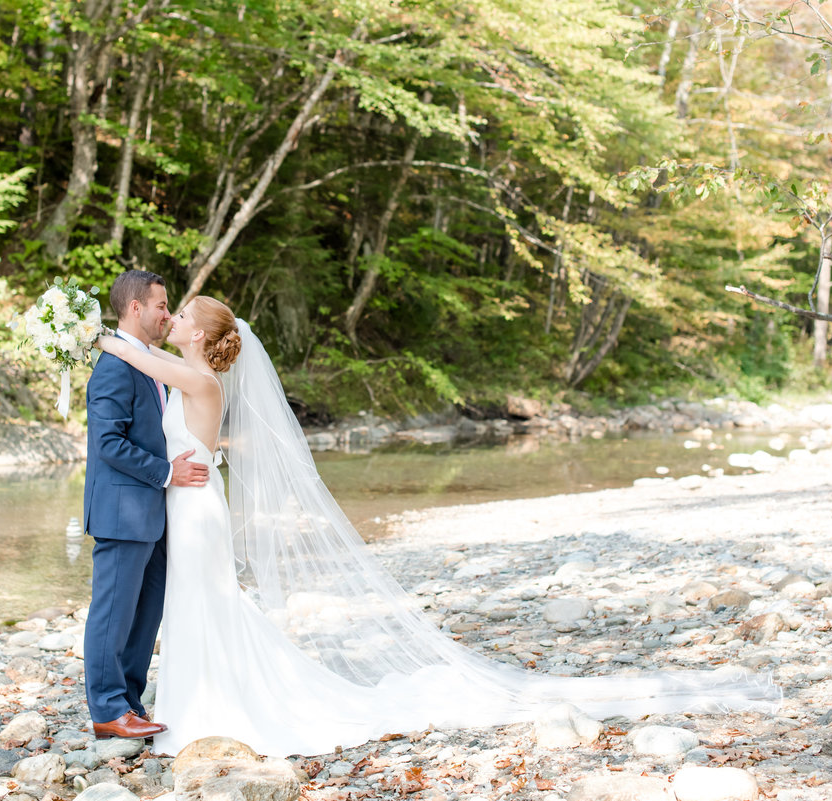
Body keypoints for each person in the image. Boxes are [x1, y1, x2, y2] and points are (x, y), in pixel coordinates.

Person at [96, 296, 782, 758]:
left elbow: (137, 357)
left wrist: (95, 334)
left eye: (182, 311)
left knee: (203, 604)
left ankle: (204, 712)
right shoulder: (186, 373)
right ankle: (190, 704)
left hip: (196, 511)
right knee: (197, 604)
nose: (174, 314)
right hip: (185, 502)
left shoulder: (197, 381)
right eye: (174, 308)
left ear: (198, 333)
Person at [82, 271, 209, 741]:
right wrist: (167, 473)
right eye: (161, 305)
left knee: (145, 614)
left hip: (153, 513)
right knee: (113, 613)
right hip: (123, 511)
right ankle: (108, 709)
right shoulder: (115, 366)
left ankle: (130, 702)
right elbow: (108, 443)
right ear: (136, 308)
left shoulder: (145, 361)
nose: (167, 313)